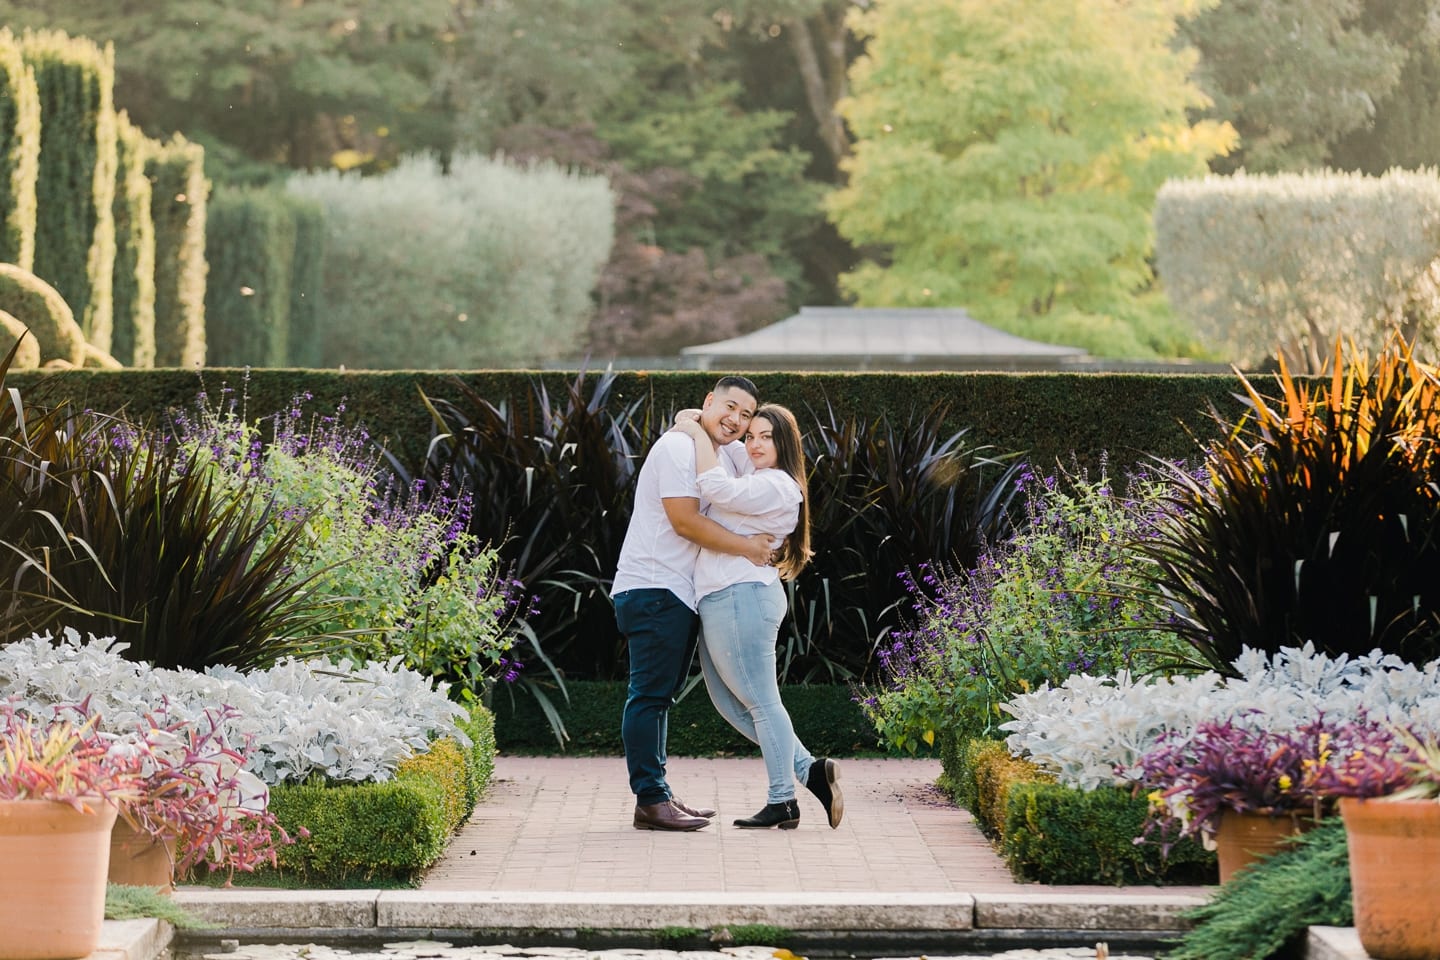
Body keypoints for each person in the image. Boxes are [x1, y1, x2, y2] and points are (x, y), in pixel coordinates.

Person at [611, 375, 774, 832]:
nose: (737, 420)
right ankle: (649, 800)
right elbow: (683, 521)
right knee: (648, 696)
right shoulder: (679, 448)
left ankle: (658, 793)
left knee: (659, 698)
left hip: (674, 591)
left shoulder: (711, 449)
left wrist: (696, 424)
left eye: (746, 415)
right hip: (654, 587)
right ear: (709, 401)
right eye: (730, 407)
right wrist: (748, 547)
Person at [671, 403, 843, 830]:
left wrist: (694, 433)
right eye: (752, 436)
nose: (755, 443)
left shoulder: (779, 486)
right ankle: (809, 771)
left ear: (785, 442)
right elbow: (721, 456)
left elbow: (715, 488)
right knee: (731, 703)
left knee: (763, 704)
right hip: (721, 598)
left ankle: (783, 799)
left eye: (766, 436)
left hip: (741, 597)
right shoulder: (754, 477)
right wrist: (704, 421)